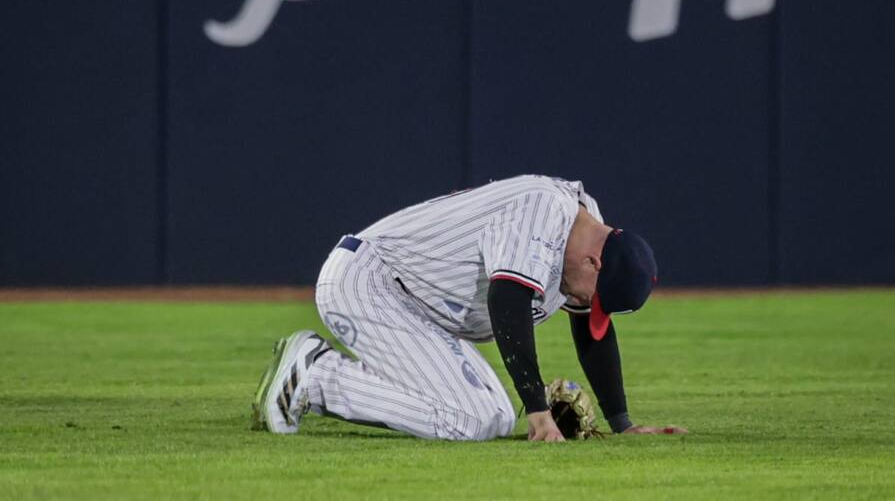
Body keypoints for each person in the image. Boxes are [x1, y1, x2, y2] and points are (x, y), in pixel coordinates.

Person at [253, 174, 686, 441]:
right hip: (371, 283)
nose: (584, 307)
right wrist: (537, 411)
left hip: (414, 306)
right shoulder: (542, 209)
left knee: (493, 418)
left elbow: (591, 333)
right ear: (595, 262)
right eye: (593, 298)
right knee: (468, 419)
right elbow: (508, 299)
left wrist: (622, 422)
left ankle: (318, 373)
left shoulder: (584, 231)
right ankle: (317, 376)